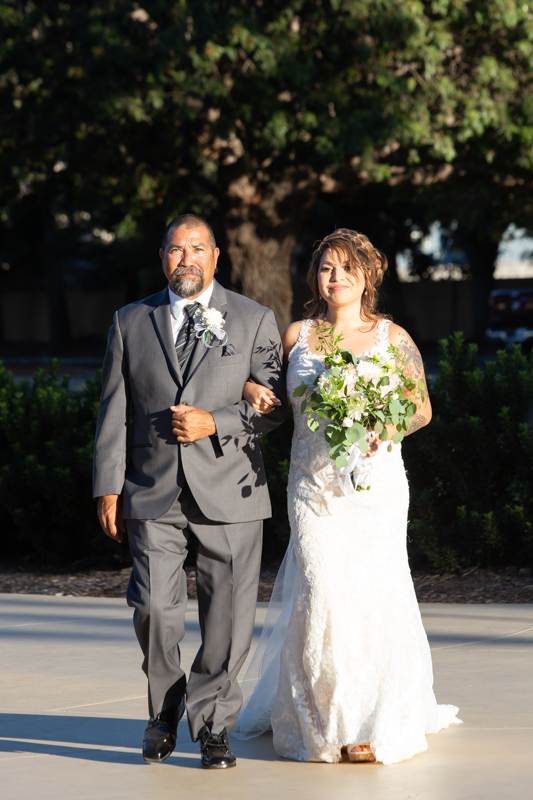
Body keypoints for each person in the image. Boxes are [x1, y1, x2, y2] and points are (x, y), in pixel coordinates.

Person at [235, 228, 461, 765]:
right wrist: (249, 390)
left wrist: (387, 425)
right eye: (325, 268)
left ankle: (364, 725)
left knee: (371, 595)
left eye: (346, 269)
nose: (334, 278)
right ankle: (321, 720)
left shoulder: (392, 337)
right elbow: (268, 399)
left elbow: (421, 407)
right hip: (314, 492)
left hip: (374, 487)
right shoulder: (297, 336)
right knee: (320, 590)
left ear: (367, 278)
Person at [93, 214, 287, 769]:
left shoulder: (253, 319)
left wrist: (217, 421)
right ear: (162, 258)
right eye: (177, 251)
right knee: (153, 606)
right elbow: (114, 410)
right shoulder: (132, 321)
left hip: (232, 488)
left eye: (197, 249)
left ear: (216, 256)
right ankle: (166, 703)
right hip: (152, 491)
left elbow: (275, 410)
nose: (187, 260)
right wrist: (108, 487)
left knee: (228, 616)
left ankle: (213, 725)